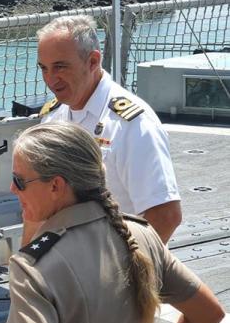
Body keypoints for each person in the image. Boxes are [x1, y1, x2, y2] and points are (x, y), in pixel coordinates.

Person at [1, 121, 225, 323]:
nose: (12, 189)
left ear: (56, 185)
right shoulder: (141, 235)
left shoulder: (33, 268)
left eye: (20, 180)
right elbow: (207, 314)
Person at [36, 15, 181, 243]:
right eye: (44, 68)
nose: (50, 79)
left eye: (60, 67)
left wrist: (124, 271)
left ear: (93, 61)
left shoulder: (132, 126)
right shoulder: (53, 118)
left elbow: (165, 215)